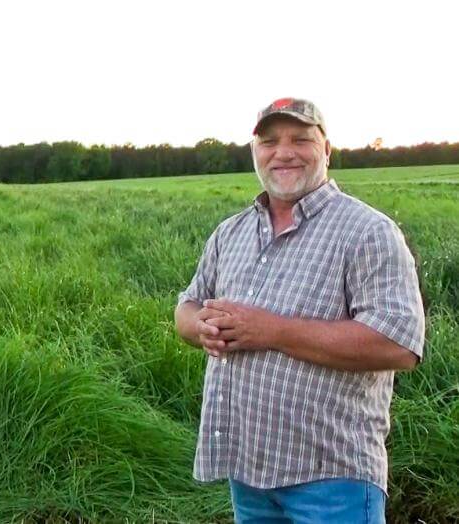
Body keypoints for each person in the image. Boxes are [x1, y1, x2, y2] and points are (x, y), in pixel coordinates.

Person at [173, 97, 425, 523]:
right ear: (255, 152)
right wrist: (202, 327)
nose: (283, 151)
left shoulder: (367, 232)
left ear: (325, 150)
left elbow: (398, 343)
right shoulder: (230, 233)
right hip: (248, 472)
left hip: (332, 479)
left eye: (300, 139)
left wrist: (269, 331)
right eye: (269, 141)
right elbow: (187, 306)